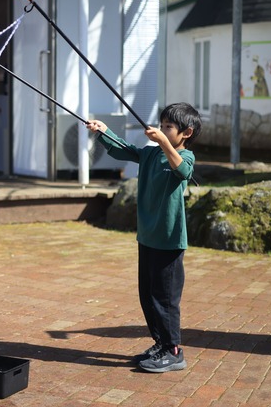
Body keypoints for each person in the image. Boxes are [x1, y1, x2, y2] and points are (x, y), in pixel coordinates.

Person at [86, 103, 202, 372]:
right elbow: (124, 150)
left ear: (186, 132)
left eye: (168, 127)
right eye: (161, 125)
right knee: (148, 296)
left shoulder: (185, 156)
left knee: (165, 299)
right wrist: (104, 132)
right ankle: (160, 343)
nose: (161, 130)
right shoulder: (150, 154)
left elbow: (183, 171)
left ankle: (173, 351)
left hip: (169, 241)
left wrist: (163, 142)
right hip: (147, 237)